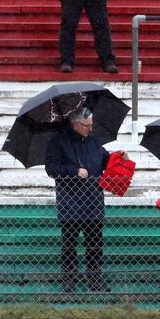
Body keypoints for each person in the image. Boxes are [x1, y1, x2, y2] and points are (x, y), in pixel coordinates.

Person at [45, 107, 128, 293]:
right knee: (69, 245)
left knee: (95, 244)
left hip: (93, 202)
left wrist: (118, 156)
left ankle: (95, 279)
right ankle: (69, 280)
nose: (90, 129)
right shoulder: (57, 142)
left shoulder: (94, 142)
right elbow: (51, 168)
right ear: (76, 125)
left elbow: (106, 160)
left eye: (91, 125)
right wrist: (74, 171)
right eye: (87, 126)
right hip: (71, 203)